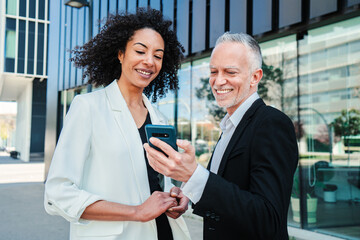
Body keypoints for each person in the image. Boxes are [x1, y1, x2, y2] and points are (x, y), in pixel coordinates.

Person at [44, 8, 191, 240]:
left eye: (158, 55)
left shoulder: (160, 119)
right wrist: (137, 211)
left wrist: (176, 196)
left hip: (164, 233)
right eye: (140, 51)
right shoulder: (88, 107)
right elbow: (57, 194)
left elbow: (158, 184)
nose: (149, 61)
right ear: (121, 54)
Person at [144, 32, 299, 240]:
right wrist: (189, 195)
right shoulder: (230, 127)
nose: (218, 81)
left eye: (230, 72)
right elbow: (228, 191)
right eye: (213, 71)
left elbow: (268, 219)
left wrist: (193, 176)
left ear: (255, 77)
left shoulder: (271, 123)